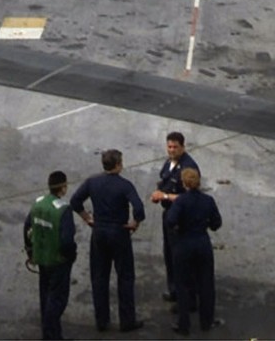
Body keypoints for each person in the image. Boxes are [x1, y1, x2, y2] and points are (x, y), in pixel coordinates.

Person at [70, 149, 145, 334]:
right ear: (118, 164)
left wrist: (87, 217)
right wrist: (134, 223)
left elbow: (75, 201)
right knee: (125, 277)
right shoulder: (125, 185)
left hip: (100, 231)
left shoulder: (92, 182)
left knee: (99, 276)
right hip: (119, 233)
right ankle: (127, 320)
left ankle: (101, 320)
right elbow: (139, 208)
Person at [23, 170, 78, 341]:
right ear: (63, 187)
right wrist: (71, 255)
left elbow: (27, 228)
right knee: (58, 300)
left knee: (46, 296)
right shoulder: (63, 210)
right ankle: (50, 334)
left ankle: (53, 335)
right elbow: (67, 240)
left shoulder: (38, 204)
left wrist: (30, 251)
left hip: (42, 258)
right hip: (59, 261)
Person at [164, 167, 220, 335]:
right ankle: (206, 321)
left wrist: (178, 228)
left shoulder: (181, 201)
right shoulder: (208, 200)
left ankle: (184, 324)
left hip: (184, 244)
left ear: (183, 183)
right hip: (202, 243)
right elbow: (216, 223)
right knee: (206, 284)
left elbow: (170, 220)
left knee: (182, 284)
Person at [148, 132, 200, 303]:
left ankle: (186, 296)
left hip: (181, 219)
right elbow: (165, 180)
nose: (171, 150)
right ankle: (174, 290)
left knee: (180, 257)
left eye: (175, 147)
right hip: (169, 215)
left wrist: (163, 196)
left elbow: (189, 197)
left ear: (183, 147)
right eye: (169, 147)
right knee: (169, 255)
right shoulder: (169, 163)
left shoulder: (188, 168)